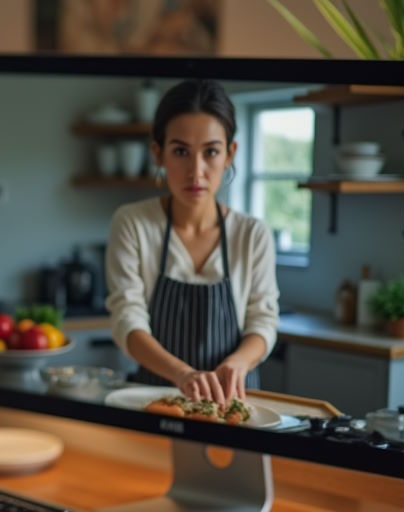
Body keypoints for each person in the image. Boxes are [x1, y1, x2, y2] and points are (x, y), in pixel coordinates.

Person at [105, 79, 280, 406]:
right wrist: (183, 374)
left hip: (234, 404)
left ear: (230, 154)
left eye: (211, 151)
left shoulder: (252, 235)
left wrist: (237, 363)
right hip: (157, 400)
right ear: (158, 153)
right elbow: (126, 318)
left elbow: (263, 321)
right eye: (181, 151)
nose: (196, 171)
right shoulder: (132, 224)